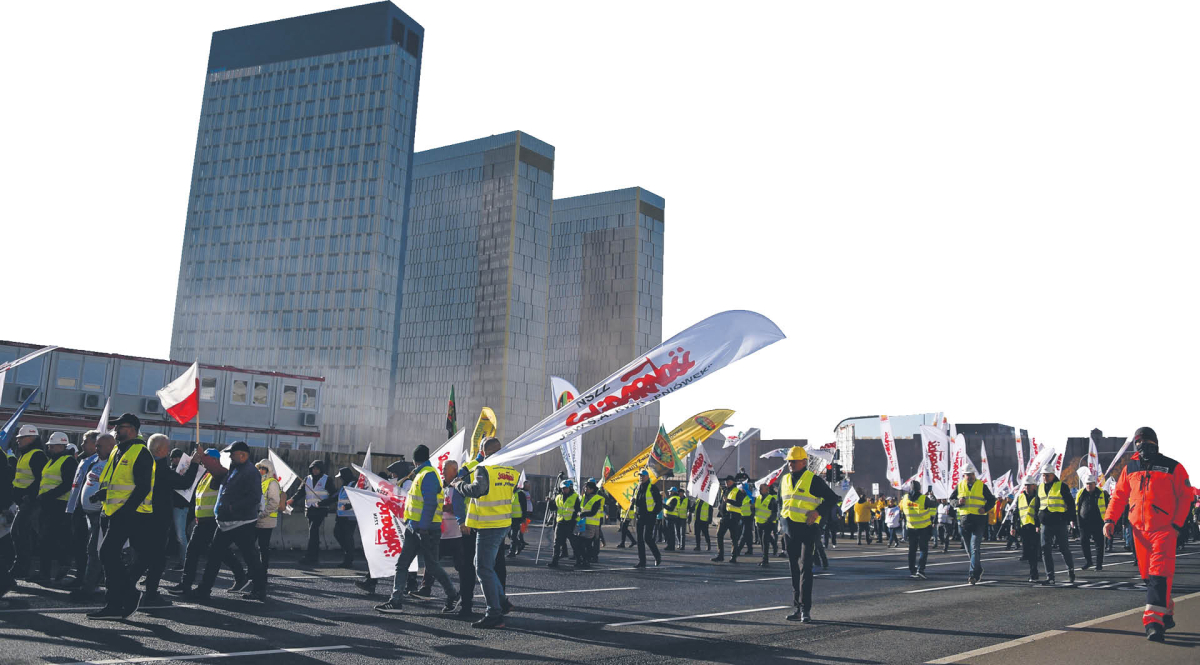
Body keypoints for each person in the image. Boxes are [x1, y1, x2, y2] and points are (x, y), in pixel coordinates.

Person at [1104, 427, 1191, 641]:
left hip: (1164, 530)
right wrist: (1109, 519)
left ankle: (1153, 622)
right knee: (1148, 577)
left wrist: (1176, 525)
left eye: (1146, 442)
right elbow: (1119, 496)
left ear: (1155, 444)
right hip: (1138, 532)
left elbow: (1186, 496)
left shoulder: (1174, 467)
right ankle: (1166, 611)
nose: (1142, 446)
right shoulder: (1130, 468)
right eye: (1139, 442)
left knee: (1158, 574)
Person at [374, 444, 461, 616]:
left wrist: (422, 527)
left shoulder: (426, 475)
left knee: (430, 566)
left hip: (423, 529)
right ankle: (396, 601)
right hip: (417, 528)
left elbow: (429, 503)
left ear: (414, 460)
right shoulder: (425, 474)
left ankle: (452, 594)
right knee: (404, 564)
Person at [88, 413, 154, 620]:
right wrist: (102, 494)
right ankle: (116, 602)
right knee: (108, 555)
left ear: (133, 430)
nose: (116, 430)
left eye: (121, 427)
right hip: (111, 511)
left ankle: (124, 597)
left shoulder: (140, 452)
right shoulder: (118, 450)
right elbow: (116, 483)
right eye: (116, 427)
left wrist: (126, 510)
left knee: (107, 554)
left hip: (129, 514)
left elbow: (143, 487)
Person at [128, 433, 202, 606]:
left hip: (141, 516)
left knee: (144, 556)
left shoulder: (143, 464)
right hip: (157, 518)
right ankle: (147, 593)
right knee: (155, 558)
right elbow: (184, 483)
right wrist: (195, 464)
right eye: (167, 448)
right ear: (160, 449)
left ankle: (130, 587)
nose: (169, 452)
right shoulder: (159, 468)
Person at [452, 437, 517, 629]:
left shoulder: (484, 468)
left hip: (488, 524)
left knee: (482, 568)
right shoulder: (510, 471)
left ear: (483, 450)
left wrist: (458, 485)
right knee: (486, 566)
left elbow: (478, 490)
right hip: (503, 522)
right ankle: (502, 602)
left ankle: (494, 613)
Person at [191, 441, 267, 601]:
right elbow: (218, 474)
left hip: (242, 523)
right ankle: (204, 590)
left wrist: (232, 508)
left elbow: (254, 498)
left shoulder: (250, 472)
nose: (230, 456)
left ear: (243, 455)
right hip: (226, 523)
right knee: (214, 556)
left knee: (250, 558)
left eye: (233, 453)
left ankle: (260, 590)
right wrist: (203, 458)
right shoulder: (235, 469)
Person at [168, 448, 248, 597]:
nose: (202, 461)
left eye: (205, 458)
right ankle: (240, 576)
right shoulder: (205, 475)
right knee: (219, 553)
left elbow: (219, 475)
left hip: (212, 520)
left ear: (214, 460)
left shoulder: (221, 474)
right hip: (204, 520)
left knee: (196, 552)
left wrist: (200, 459)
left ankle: (188, 585)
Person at [778, 446, 838, 623]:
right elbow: (779, 503)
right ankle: (797, 608)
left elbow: (833, 498)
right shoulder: (784, 479)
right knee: (794, 570)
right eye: (789, 461)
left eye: (794, 461)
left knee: (805, 569)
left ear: (804, 462)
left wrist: (817, 512)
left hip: (808, 531)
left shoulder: (813, 480)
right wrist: (780, 523)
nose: (791, 464)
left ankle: (805, 609)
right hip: (789, 530)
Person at [31, 432, 77, 584]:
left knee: (51, 540)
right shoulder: (53, 460)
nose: (49, 448)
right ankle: (46, 572)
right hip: (48, 505)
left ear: (60, 446)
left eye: (51, 445)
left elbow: (67, 484)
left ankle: (54, 570)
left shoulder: (68, 461)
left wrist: (47, 496)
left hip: (58, 506)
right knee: (46, 540)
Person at [65, 431, 105, 597]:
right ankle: (81, 576)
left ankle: (88, 580)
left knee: (88, 547)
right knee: (79, 545)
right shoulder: (85, 460)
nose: (82, 445)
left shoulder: (98, 462)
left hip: (89, 511)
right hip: (76, 507)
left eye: (85, 442)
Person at [10, 424, 47, 583]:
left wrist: (28, 496)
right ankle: (21, 566)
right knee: (19, 533)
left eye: (21, 438)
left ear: (31, 438)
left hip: (30, 503)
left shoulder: (36, 455)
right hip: (23, 502)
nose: (18, 440)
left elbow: (40, 479)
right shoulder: (25, 454)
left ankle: (22, 567)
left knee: (20, 533)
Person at [949, 462, 996, 585]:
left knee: (974, 547)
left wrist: (985, 509)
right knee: (969, 549)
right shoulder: (959, 486)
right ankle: (978, 568)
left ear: (974, 474)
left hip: (979, 521)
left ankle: (972, 575)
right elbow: (951, 500)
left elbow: (992, 500)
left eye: (971, 474)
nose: (970, 477)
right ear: (963, 476)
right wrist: (958, 502)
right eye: (967, 475)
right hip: (964, 521)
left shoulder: (982, 486)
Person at [289, 460, 337, 564]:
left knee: (313, 531)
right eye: (313, 469)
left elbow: (334, 495)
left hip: (320, 509)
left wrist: (324, 503)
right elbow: (300, 492)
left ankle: (310, 556)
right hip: (310, 509)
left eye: (317, 469)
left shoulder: (327, 479)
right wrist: (292, 499)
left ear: (321, 470)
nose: (315, 470)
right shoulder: (307, 479)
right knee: (313, 533)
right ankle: (313, 556)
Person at [1037, 462, 1076, 585]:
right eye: (1043, 475)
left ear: (1053, 475)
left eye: (1047, 475)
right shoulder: (1040, 488)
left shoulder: (1062, 486)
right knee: (1045, 549)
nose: (1045, 478)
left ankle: (1070, 570)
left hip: (1059, 523)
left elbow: (1070, 504)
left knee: (1064, 549)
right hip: (1045, 524)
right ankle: (1050, 577)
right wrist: (1037, 522)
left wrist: (1068, 519)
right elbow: (1037, 506)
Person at [899, 482, 933, 578]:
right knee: (923, 549)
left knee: (912, 550)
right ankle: (920, 569)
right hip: (923, 528)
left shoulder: (905, 498)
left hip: (911, 527)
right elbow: (933, 504)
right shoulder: (923, 498)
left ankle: (912, 570)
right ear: (919, 488)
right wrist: (932, 496)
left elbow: (901, 507)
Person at [1076, 474, 1108, 571]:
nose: (1089, 486)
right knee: (1083, 542)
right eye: (1087, 484)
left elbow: (1108, 507)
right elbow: (1077, 507)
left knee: (1099, 544)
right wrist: (1076, 521)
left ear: (1095, 484)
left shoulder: (1102, 493)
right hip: (1084, 522)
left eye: (1091, 484)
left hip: (1098, 522)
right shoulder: (1080, 493)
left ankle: (1099, 564)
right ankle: (1088, 561)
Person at [712, 475, 747, 563]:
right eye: (726, 481)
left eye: (728, 481)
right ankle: (720, 555)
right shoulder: (725, 491)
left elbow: (739, 503)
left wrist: (729, 501)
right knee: (719, 535)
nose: (726, 483)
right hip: (725, 517)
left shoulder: (737, 491)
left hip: (734, 517)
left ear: (733, 482)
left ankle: (733, 556)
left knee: (734, 538)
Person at [256, 459, 282, 574]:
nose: (261, 470)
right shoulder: (258, 482)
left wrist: (263, 514)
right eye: (259, 468)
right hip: (256, 519)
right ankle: (256, 568)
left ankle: (263, 570)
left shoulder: (272, 483)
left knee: (263, 546)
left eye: (263, 468)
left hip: (267, 520)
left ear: (268, 470)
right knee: (253, 545)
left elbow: (274, 502)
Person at [633, 470, 662, 568]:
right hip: (640, 516)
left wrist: (653, 514)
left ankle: (657, 556)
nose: (641, 477)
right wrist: (633, 501)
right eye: (640, 476)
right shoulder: (636, 488)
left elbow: (659, 503)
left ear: (648, 477)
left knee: (647, 538)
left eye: (643, 476)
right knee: (639, 539)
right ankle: (642, 561)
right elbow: (638, 503)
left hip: (650, 517)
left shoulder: (653, 488)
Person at [547, 480, 579, 568]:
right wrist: (550, 502)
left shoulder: (575, 497)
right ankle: (554, 561)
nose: (564, 490)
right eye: (563, 488)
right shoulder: (558, 497)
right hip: (560, 522)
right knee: (556, 542)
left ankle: (579, 560)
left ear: (570, 488)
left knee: (574, 542)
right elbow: (553, 508)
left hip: (570, 523)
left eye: (566, 488)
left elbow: (577, 509)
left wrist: (575, 521)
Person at [1015, 479, 1041, 582]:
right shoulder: (1020, 497)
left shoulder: (1038, 496)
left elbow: (1040, 511)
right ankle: (1033, 570)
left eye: (1029, 485)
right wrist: (1013, 526)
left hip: (1035, 527)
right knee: (1027, 551)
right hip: (1024, 527)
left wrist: (1038, 525)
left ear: (1034, 486)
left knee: (1034, 550)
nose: (1027, 487)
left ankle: (1034, 573)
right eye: (1026, 485)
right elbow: (1016, 512)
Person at [168, 448, 190, 569]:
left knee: (180, 535)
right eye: (174, 457)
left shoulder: (175, 471)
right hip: (179, 506)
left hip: (179, 506)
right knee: (180, 535)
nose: (175, 459)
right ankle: (183, 561)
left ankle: (183, 562)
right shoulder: (179, 471)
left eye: (177, 457)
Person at [333, 467, 357, 567]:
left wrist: (347, 506)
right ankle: (348, 553)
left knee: (347, 538)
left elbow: (357, 498)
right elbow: (335, 496)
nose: (341, 479)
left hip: (350, 517)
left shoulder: (354, 484)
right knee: (337, 533)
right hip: (341, 516)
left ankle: (349, 558)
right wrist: (322, 502)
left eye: (342, 477)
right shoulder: (344, 485)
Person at [576, 480, 604, 568]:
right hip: (582, 522)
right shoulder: (584, 497)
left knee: (587, 544)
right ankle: (583, 559)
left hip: (591, 524)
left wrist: (582, 514)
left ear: (592, 489)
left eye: (587, 488)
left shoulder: (597, 498)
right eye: (585, 487)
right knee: (580, 543)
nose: (585, 489)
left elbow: (593, 512)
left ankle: (587, 560)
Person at [754, 483, 779, 566]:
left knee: (765, 541)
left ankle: (765, 560)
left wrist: (769, 521)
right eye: (760, 488)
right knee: (762, 541)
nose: (760, 490)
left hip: (768, 523)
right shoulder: (758, 498)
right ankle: (771, 550)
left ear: (767, 489)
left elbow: (774, 512)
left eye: (762, 488)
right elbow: (757, 509)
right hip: (759, 523)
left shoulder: (771, 499)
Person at [508, 480, 530, 557]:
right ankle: (519, 544)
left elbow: (524, 507)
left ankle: (512, 552)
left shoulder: (520, 494)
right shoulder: (510, 493)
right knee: (510, 535)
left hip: (517, 518)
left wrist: (524, 518)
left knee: (513, 535)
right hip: (509, 518)